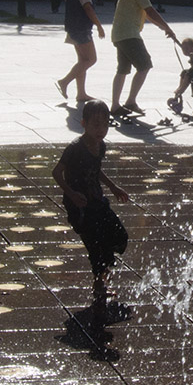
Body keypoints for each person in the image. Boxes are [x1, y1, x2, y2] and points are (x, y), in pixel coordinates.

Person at [52, 100, 129, 317]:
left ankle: (102, 278)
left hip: (97, 200)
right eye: (96, 124)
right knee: (96, 244)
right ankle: (100, 284)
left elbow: (97, 170)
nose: (101, 130)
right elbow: (56, 173)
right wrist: (71, 193)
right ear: (84, 123)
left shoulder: (100, 145)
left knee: (118, 235)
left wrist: (113, 187)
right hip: (81, 206)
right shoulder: (75, 148)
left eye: (105, 125)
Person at [109, 0, 176, 118]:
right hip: (128, 34)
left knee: (123, 69)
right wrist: (167, 27)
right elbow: (151, 11)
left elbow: (146, 14)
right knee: (145, 65)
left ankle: (116, 105)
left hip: (121, 34)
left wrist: (164, 28)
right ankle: (130, 101)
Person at [56, 0, 105, 103]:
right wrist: (99, 25)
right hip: (81, 27)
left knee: (82, 60)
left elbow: (83, 0)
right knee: (91, 59)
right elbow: (87, 7)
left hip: (74, 26)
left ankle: (81, 93)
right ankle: (64, 81)